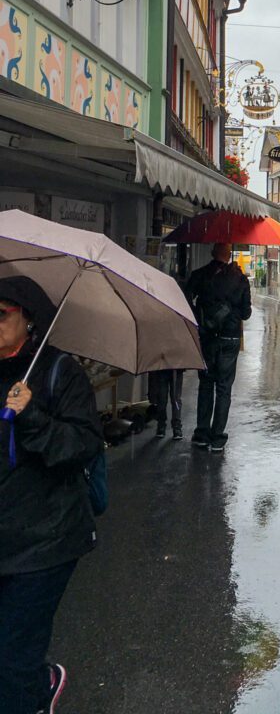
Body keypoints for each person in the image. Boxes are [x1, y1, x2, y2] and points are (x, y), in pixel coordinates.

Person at [0, 276, 104, 714]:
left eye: (2, 315)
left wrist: (32, 417)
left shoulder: (61, 373)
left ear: (29, 321)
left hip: (46, 541)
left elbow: (81, 445)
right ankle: (40, 682)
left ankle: (30, 692)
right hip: (5, 532)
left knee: (12, 657)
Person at [185, 243, 252, 453]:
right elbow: (246, 313)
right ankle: (217, 438)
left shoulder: (200, 275)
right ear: (229, 255)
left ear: (213, 253)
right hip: (230, 339)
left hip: (206, 337)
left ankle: (202, 434)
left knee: (206, 384)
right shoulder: (240, 279)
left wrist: (201, 315)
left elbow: (186, 300)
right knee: (224, 388)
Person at [148, 369, 184, 440]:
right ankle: (176, 427)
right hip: (175, 367)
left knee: (164, 399)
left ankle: (162, 425)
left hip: (164, 367)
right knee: (172, 399)